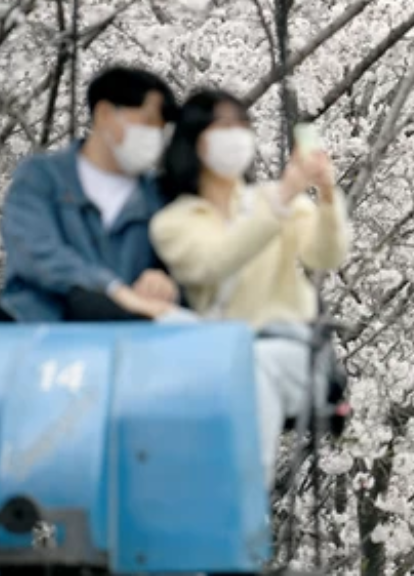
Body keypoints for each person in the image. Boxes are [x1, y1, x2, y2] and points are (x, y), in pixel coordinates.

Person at [149, 88, 351, 488]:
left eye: (244, 125)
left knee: (255, 367)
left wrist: (327, 195)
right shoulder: (174, 221)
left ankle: (242, 498)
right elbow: (213, 263)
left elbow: (326, 255)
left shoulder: (275, 200)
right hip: (214, 360)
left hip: (290, 352)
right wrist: (280, 199)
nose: (238, 135)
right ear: (195, 139)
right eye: (225, 126)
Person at [0, 65, 187, 324]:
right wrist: (111, 289)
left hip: (124, 329)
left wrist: (165, 282)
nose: (154, 137)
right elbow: (36, 251)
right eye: (147, 122)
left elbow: (186, 260)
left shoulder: (157, 193)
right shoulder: (42, 177)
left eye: (161, 129)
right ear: (105, 113)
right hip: (38, 323)